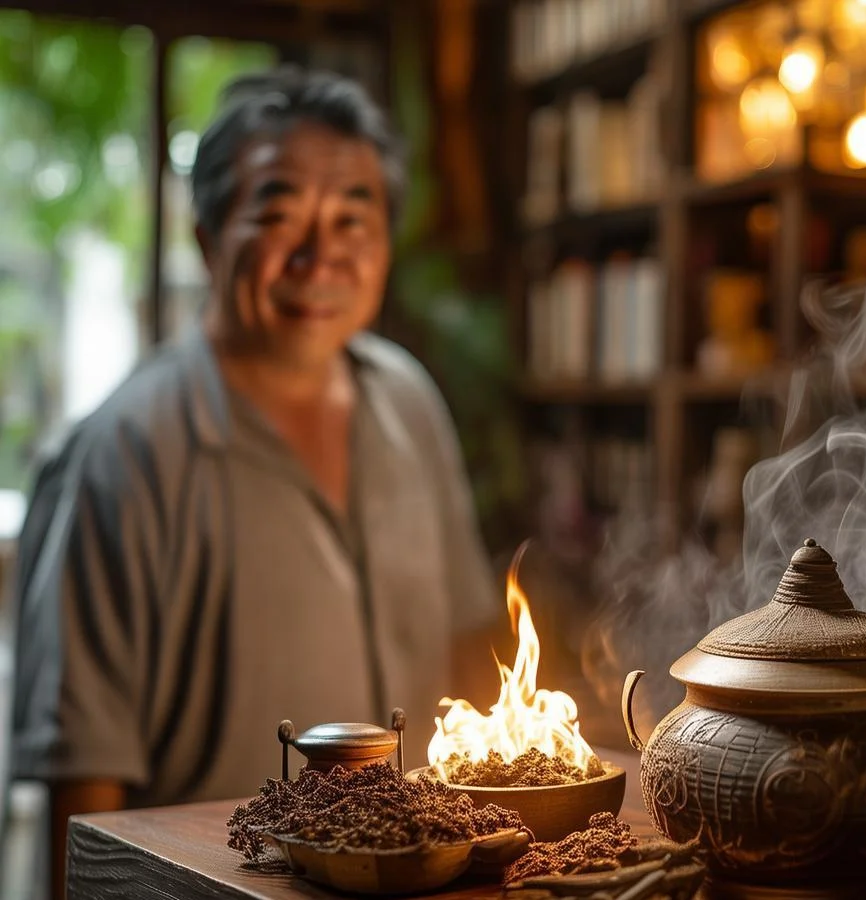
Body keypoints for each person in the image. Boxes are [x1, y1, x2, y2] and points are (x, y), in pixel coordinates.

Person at [7, 67, 501, 898]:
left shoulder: (409, 402)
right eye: (278, 216)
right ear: (206, 237)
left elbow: (464, 654)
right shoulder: (119, 455)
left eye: (353, 216)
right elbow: (79, 799)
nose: (321, 256)